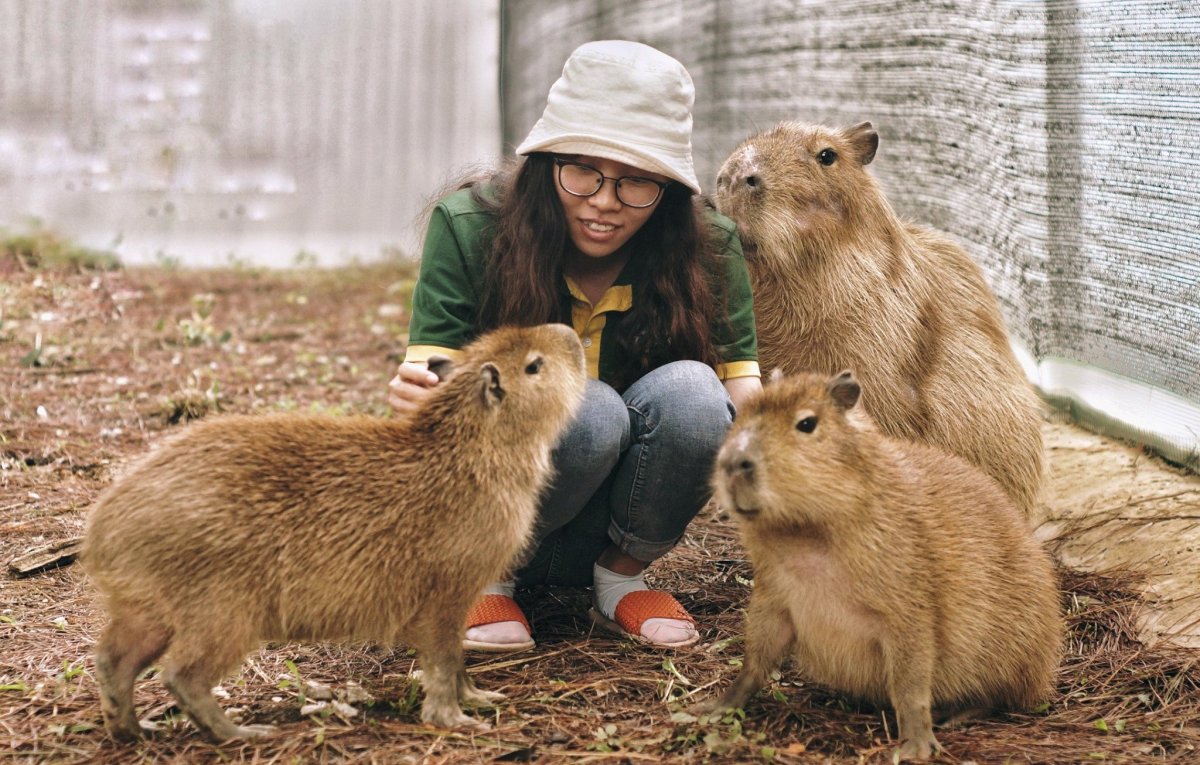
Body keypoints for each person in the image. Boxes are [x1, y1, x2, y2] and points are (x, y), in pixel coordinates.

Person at [388, 40, 761, 651]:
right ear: (545, 162)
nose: (605, 202)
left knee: (697, 394)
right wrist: (423, 402)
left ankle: (621, 579)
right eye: (583, 170)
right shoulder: (469, 226)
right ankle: (485, 580)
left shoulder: (709, 247)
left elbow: (741, 393)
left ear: (669, 190)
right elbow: (434, 381)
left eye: (637, 181)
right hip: (486, 516)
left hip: (616, 524)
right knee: (587, 408)